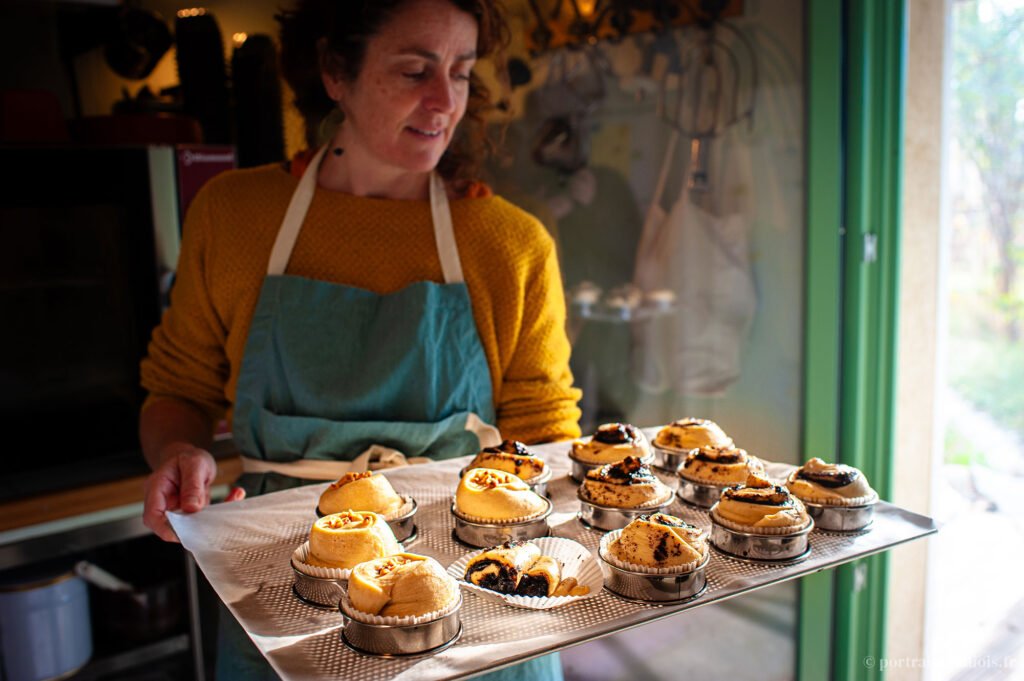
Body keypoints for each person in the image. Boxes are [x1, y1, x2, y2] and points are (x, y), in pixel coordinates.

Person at [138, 0, 580, 678]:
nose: (443, 101)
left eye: (460, 73)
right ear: (334, 72)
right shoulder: (234, 216)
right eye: (413, 71)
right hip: (288, 586)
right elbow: (178, 387)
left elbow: (545, 435)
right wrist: (175, 447)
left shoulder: (510, 244)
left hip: (475, 592)